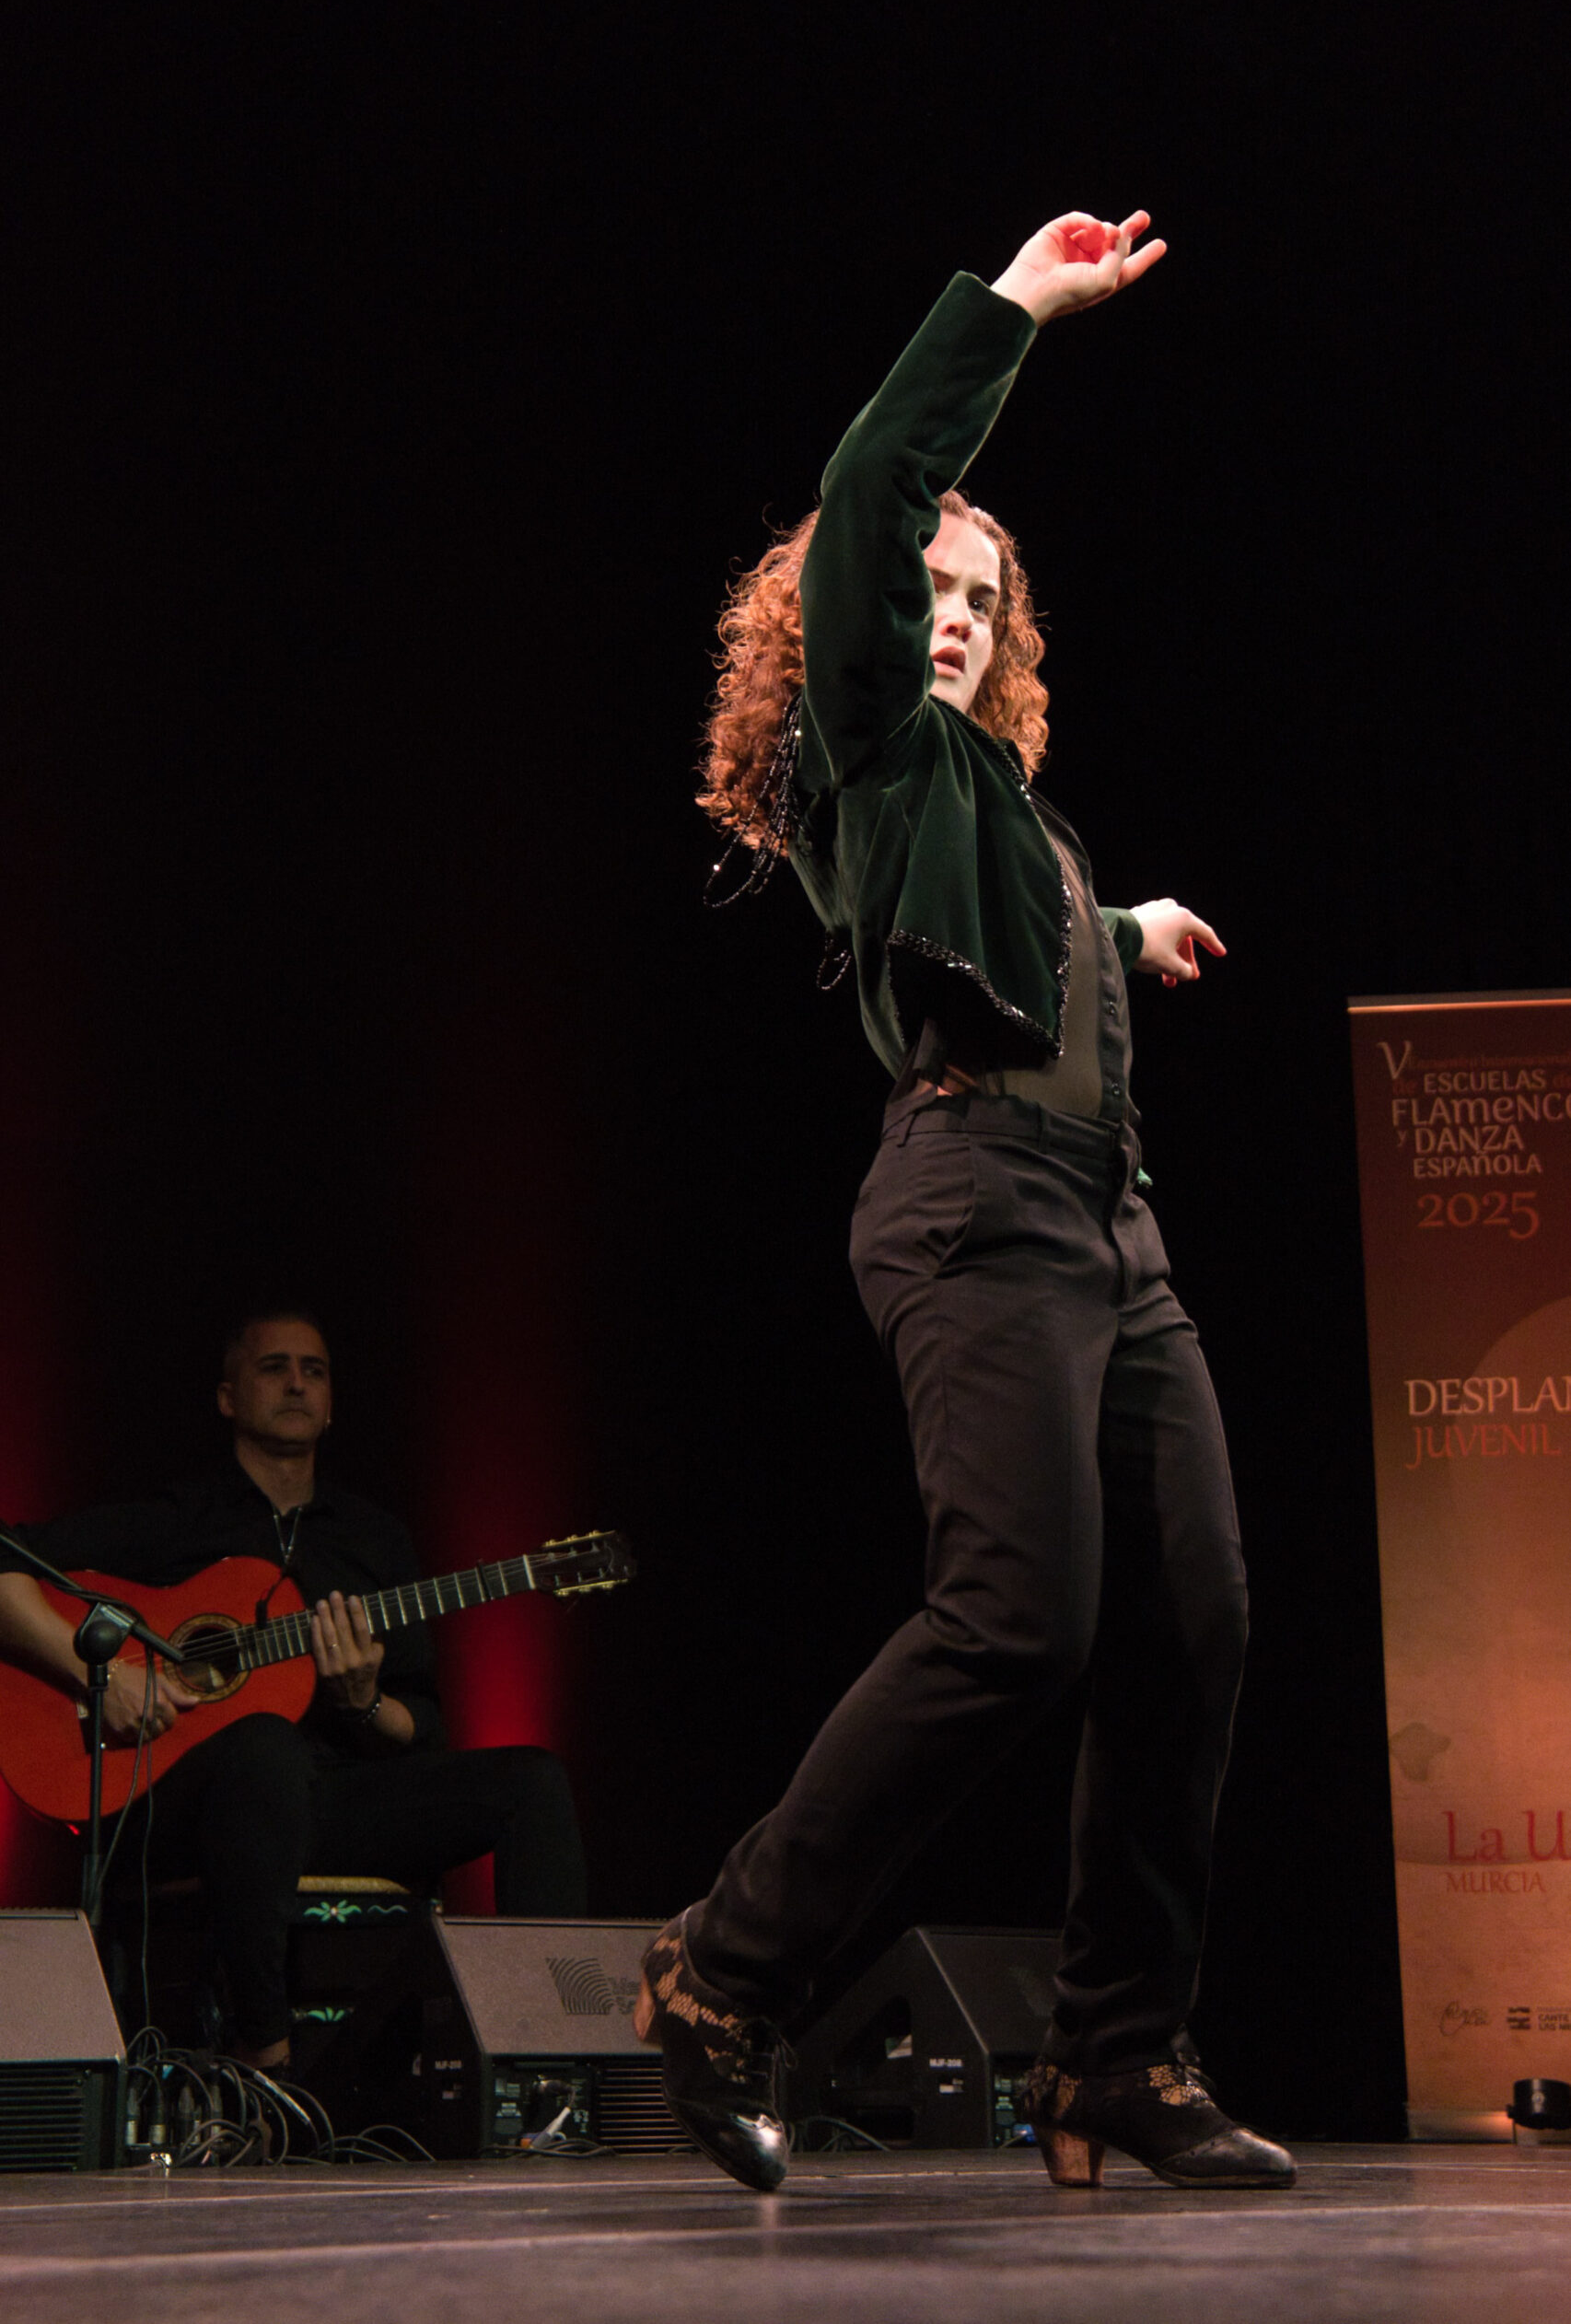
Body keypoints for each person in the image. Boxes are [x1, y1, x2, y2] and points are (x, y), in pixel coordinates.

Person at [634, 210, 1295, 2194]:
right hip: (973, 1200)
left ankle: (1116, 2054)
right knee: (1017, 1619)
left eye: (981, 597)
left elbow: (1012, 926)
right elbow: (870, 488)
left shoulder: (1002, 811)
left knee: (1192, 1614)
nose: (949, 611)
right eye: (925, 581)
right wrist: (1013, 308)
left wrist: (1123, 923)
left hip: (1110, 1225)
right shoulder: (866, 748)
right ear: (851, 610)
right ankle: (724, 1971)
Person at [0, 1310, 587, 2069]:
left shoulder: (374, 1540)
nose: (297, 1383)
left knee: (532, 1782)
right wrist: (98, 1674)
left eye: (315, 1370)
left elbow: (425, 1726)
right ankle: (268, 2051)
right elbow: (7, 1560)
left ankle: (546, 2064)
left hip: (333, 1801)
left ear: (332, 1404)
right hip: (192, 1803)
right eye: (274, 1367)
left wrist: (364, 1701)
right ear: (228, 1398)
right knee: (264, 1747)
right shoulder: (178, 1519)